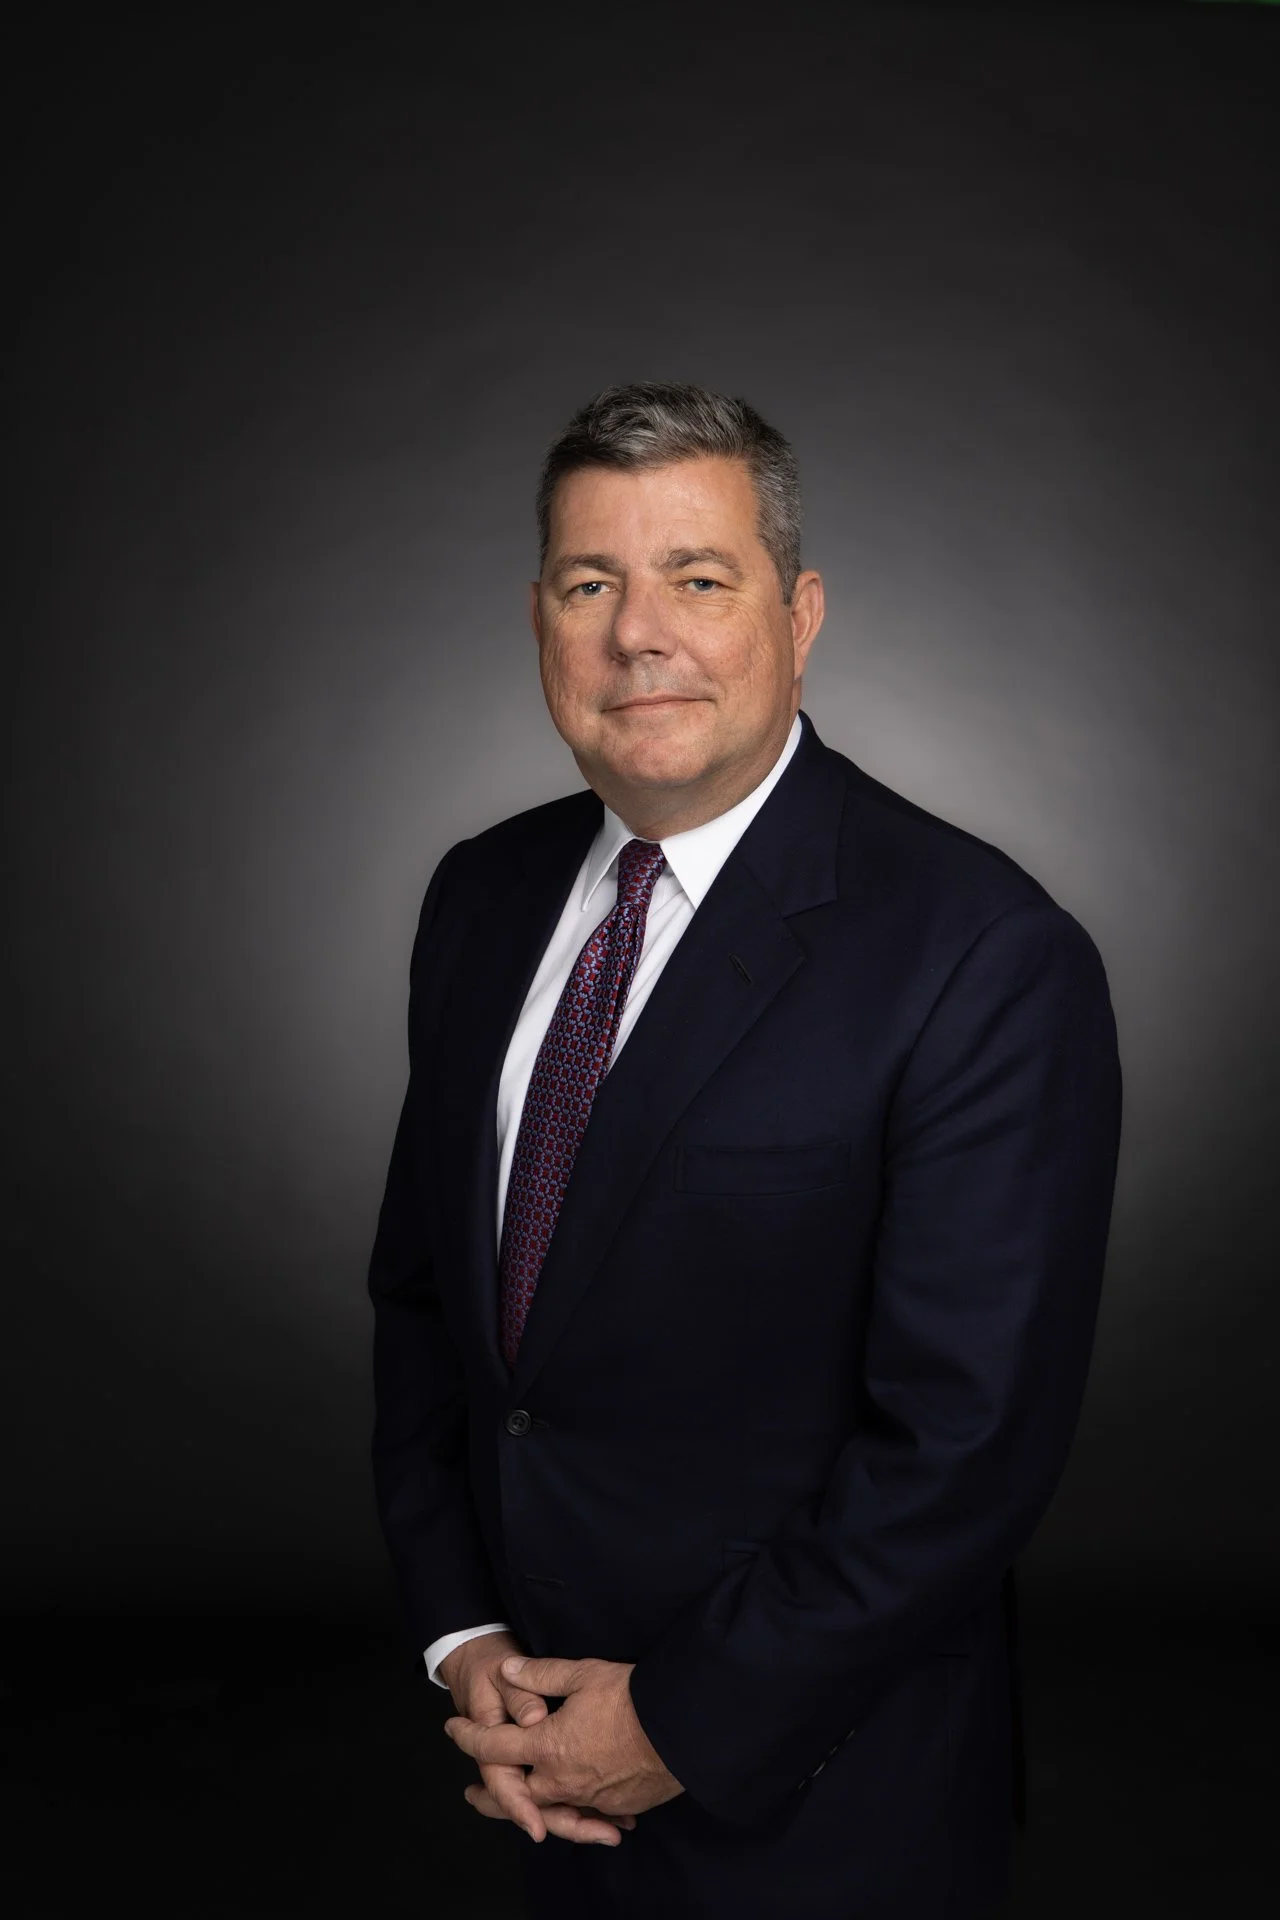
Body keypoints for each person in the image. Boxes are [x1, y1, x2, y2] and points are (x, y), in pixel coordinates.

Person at [367, 381, 1122, 1919]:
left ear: (802, 611)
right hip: (521, 1770)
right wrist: (468, 1641)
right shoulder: (481, 897)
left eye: (699, 580)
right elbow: (427, 1312)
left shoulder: (979, 952)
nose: (639, 633)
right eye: (592, 584)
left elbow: (964, 1448)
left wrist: (677, 1718)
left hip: (825, 1802)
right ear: (539, 619)